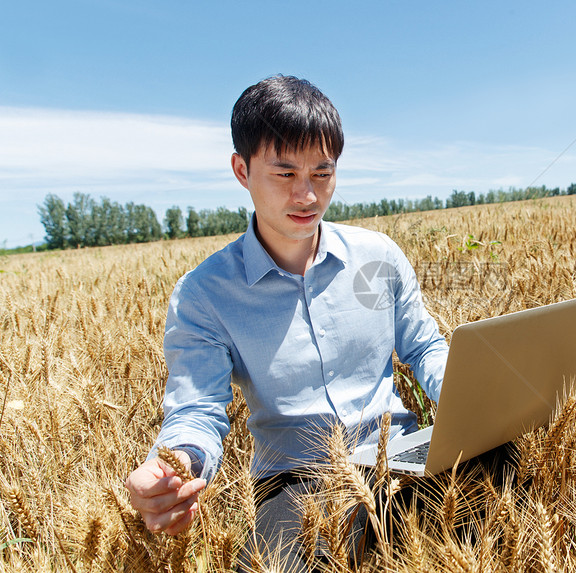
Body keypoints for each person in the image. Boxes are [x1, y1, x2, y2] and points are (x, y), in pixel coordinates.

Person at [124, 75, 449, 568]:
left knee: (510, 472)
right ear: (241, 169)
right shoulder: (204, 294)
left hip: (402, 447)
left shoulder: (378, 256)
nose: (308, 196)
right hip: (296, 476)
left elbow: (424, 347)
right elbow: (197, 408)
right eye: (285, 174)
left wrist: (470, 396)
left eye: (322, 173)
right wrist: (176, 464)